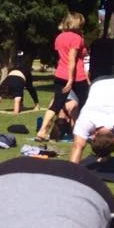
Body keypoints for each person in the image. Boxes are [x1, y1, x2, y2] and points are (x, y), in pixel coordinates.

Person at [68, 76, 114, 184]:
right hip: (102, 83)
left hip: (113, 83)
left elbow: (77, 146)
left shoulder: (86, 120)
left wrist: (71, 174)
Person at [37, 12, 90, 141]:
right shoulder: (76, 38)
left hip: (60, 74)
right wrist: (71, 80)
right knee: (87, 104)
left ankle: (42, 131)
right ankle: (83, 132)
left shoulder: (59, 37)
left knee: (56, 104)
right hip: (76, 77)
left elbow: (63, 57)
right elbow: (71, 59)